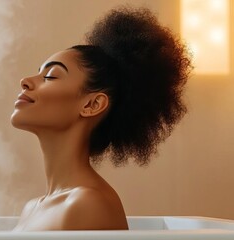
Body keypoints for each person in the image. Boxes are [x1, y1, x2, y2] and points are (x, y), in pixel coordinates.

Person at [10, 6, 192, 231]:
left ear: (91, 104)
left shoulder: (88, 203)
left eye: (50, 76)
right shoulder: (32, 208)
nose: (26, 81)